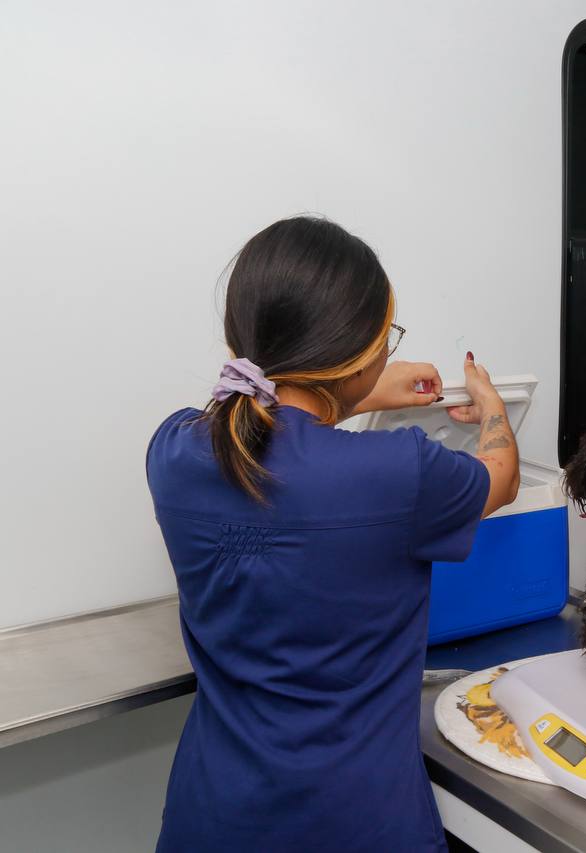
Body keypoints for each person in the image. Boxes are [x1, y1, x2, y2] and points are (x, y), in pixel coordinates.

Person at [145, 216, 519, 852]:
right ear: (359, 353)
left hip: (212, 817)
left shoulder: (174, 449)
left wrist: (357, 395)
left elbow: (271, 427)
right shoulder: (401, 472)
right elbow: (502, 478)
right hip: (356, 823)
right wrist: (492, 409)